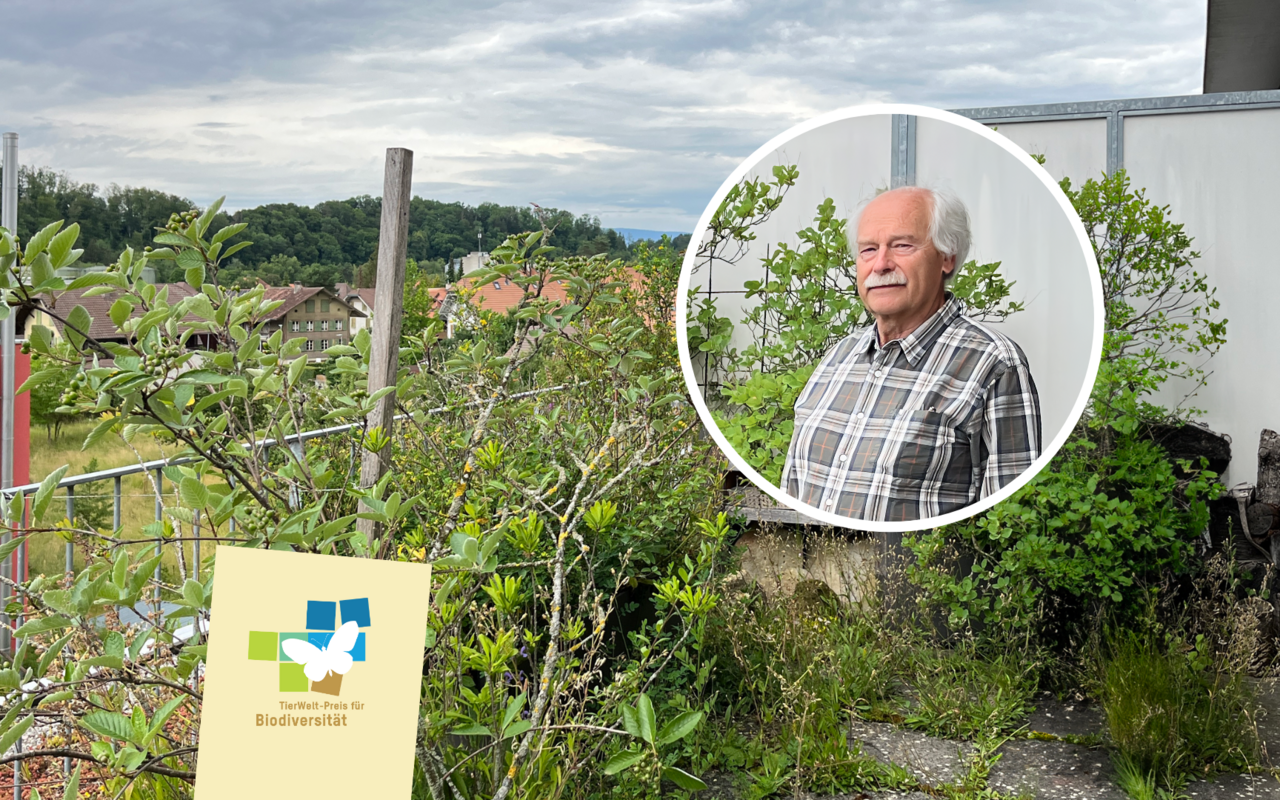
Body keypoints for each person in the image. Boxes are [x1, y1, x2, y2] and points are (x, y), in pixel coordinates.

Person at [781, 186, 1040, 522]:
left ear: (947, 257)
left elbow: (1010, 520)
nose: (881, 264)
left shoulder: (994, 364)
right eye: (868, 250)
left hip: (914, 575)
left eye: (902, 245)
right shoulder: (837, 358)